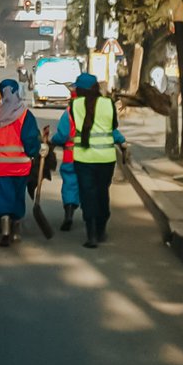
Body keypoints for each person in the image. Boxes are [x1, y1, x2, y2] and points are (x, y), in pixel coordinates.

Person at [52, 72, 125, 249]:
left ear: (80, 90)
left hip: (83, 158)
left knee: (88, 195)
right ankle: (101, 230)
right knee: (102, 193)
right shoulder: (108, 104)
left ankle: (91, 235)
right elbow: (113, 127)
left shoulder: (75, 105)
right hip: (106, 159)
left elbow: (69, 129)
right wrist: (123, 145)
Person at [0, 77, 41, 248]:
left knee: (2, 197)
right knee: (18, 196)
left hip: (1, 166)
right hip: (21, 166)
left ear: (2, 94)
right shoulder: (26, 115)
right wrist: (35, 152)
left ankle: (4, 232)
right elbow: (30, 139)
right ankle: (16, 231)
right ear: (17, 92)